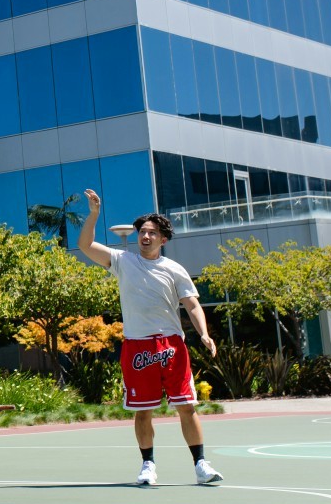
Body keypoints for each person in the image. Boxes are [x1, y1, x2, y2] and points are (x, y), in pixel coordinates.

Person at [78, 189, 223, 486]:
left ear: (163, 239)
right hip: (136, 346)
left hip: (171, 345)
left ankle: (201, 465)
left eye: (152, 233)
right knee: (142, 411)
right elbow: (85, 245)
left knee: (186, 406)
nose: (145, 236)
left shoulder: (174, 269)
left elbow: (192, 304)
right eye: (142, 232)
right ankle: (148, 465)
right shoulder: (122, 261)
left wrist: (204, 334)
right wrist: (93, 215)